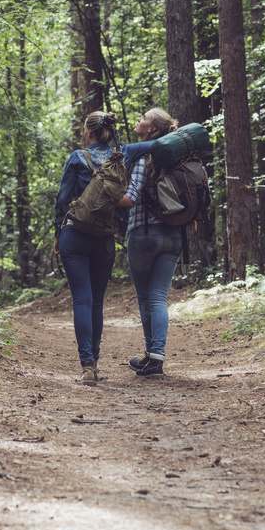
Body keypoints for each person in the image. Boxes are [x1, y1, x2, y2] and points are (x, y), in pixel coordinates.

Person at [53, 110, 151, 386]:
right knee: (96, 301)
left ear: (88, 131)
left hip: (74, 233)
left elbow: (62, 200)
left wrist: (58, 233)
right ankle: (94, 358)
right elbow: (158, 143)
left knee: (81, 300)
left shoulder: (77, 157)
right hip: (104, 238)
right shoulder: (125, 153)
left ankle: (87, 366)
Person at [117, 108, 181, 377]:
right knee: (160, 297)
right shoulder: (180, 158)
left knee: (147, 298)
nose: (138, 120)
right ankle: (155, 356)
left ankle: (152, 356)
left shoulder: (145, 157)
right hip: (174, 236)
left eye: (143, 118)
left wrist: (100, 195)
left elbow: (130, 196)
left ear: (152, 129)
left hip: (143, 233)